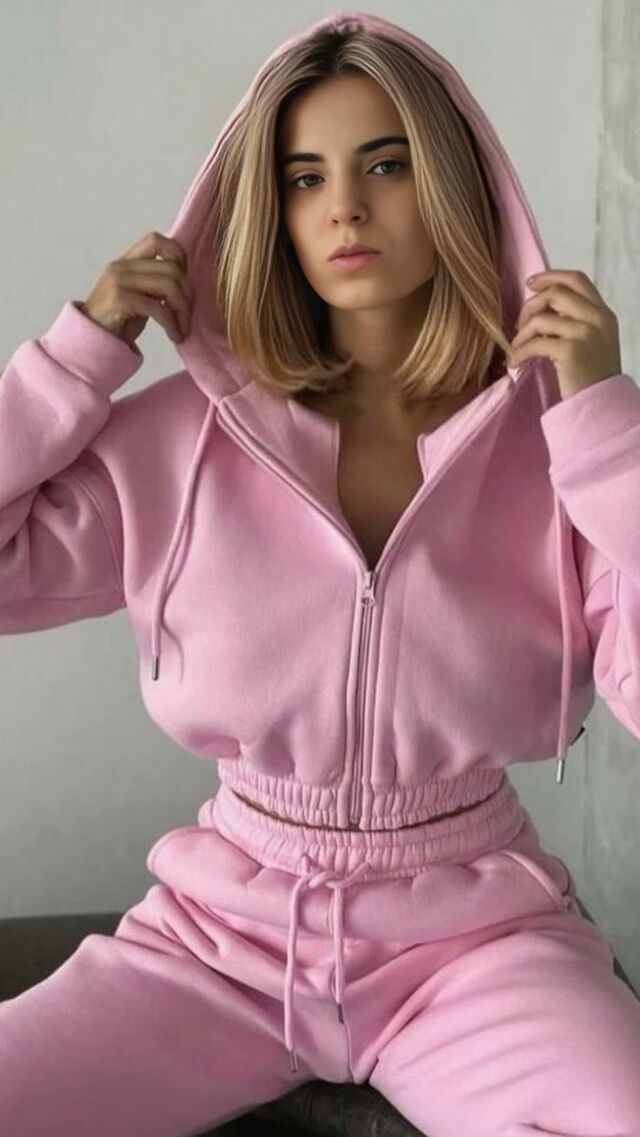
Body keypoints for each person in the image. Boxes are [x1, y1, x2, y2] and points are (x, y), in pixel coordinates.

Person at [1, 10, 640, 1136]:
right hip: (217, 945)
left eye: (385, 165)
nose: (343, 207)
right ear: (271, 210)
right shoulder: (182, 436)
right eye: (305, 178)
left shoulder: (557, 443)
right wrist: (73, 358)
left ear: (454, 187)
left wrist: (604, 430)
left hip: (480, 946)